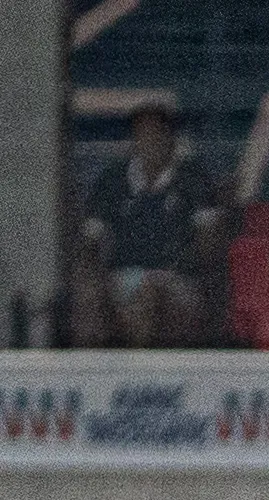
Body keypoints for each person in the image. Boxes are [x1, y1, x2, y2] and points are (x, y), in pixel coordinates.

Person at [74, 105, 224, 349]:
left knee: (150, 291)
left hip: (177, 277)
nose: (150, 142)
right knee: (90, 298)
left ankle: (139, 375)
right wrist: (93, 276)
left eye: (158, 134)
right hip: (122, 275)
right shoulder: (111, 180)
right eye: (142, 134)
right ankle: (87, 376)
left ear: (172, 140)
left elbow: (209, 240)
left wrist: (181, 266)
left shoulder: (194, 180)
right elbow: (90, 240)